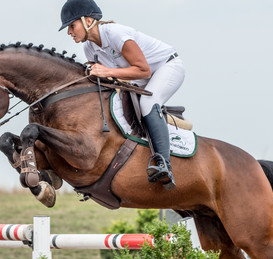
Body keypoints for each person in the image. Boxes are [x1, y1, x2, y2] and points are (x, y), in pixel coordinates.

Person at [59, 0, 185, 190]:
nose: (70, 32)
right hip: (138, 79)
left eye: (72, 25)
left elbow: (144, 70)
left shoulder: (116, 33)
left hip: (167, 67)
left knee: (147, 104)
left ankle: (163, 163)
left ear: (88, 20)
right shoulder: (89, 48)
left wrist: (106, 71)